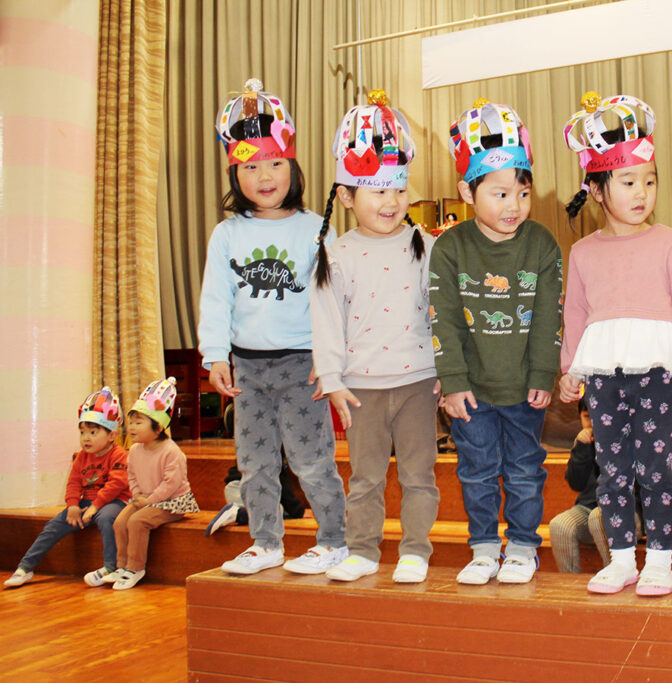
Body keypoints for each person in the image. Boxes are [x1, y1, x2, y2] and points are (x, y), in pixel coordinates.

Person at [558, 92, 672, 596]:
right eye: (628, 182)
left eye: (650, 180)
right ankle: (622, 559)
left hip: (657, 373)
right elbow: (575, 315)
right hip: (604, 375)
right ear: (597, 190)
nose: (642, 192)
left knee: (654, 467)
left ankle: (660, 560)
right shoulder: (583, 253)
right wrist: (570, 369)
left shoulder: (670, 243)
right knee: (613, 469)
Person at [198, 79, 348, 576]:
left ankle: (334, 540)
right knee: (255, 463)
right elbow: (216, 298)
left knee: (312, 460)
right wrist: (215, 355)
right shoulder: (227, 234)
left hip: (303, 365)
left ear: (293, 166)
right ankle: (266, 542)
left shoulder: (316, 228)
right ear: (234, 172)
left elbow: (332, 300)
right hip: (248, 369)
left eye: (275, 163)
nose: (265, 176)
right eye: (251, 166)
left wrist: (330, 358)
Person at [309, 90, 440, 584]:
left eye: (398, 190)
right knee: (364, 477)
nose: (391, 202)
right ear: (346, 196)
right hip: (361, 388)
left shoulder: (425, 245)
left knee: (419, 475)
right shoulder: (335, 254)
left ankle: (415, 551)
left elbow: (443, 314)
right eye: (377, 191)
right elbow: (326, 320)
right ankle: (362, 550)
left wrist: (448, 372)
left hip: (418, 382)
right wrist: (332, 379)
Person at [430, 98, 562, 585]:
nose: (514, 206)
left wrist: (543, 374)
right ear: (468, 191)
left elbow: (549, 316)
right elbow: (443, 319)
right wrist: (452, 382)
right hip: (471, 390)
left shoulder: (542, 243)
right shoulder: (450, 247)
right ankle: (484, 548)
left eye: (523, 193)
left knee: (526, 469)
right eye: (500, 194)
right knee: (477, 470)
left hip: (525, 388)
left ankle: (523, 547)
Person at [4, 387, 129, 588]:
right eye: (82, 432)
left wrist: (95, 507)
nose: (86, 438)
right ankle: (25, 568)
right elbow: (73, 483)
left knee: (107, 519)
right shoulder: (82, 456)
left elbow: (117, 484)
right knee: (53, 526)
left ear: (111, 435)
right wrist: (72, 506)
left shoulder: (119, 455)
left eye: (93, 432)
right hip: (87, 503)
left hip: (113, 502)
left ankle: (110, 567)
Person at [109, 378, 199, 590]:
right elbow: (131, 475)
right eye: (131, 422)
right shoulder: (134, 450)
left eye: (138, 423)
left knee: (137, 521)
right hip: (144, 499)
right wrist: (137, 495)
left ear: (158, 427)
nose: (132, 427)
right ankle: (121, 566)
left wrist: (149, 500)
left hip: (171, 502)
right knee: (120, 522)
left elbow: (171, 484)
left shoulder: (172, 452)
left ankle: (135, 568)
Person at [549, 402, 612, 573]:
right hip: (588, 508)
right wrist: (582, 449)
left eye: (598, 416)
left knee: (598, 518)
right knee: (559, 525)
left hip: (625, 512)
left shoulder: (625, 439)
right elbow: (576, 483)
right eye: (587, 417)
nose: (592, 422)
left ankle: (615, 574)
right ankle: (571, 582)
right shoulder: (583, 444)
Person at [204, 456, 305, 536]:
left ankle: (240, 511)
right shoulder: (275, 454)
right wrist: (298, 511)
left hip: (233, 489)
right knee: (277, 510)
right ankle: (237, 514)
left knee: (273, 508)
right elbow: (285, 490)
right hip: (253, 490)